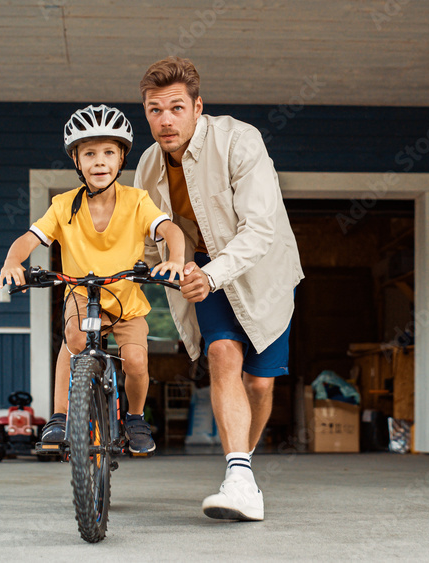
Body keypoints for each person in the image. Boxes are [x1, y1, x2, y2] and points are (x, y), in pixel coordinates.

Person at [135, 57, 304, 521]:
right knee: (222, 353)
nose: (165, 119)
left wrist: (211, 274)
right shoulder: (148, 167)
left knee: (260, 382)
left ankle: (241, 471)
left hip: (262, 270)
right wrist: (165, 265)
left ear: (197, 107)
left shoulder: (239, 140)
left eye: (175, 107)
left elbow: (260, 228)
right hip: (203, 269)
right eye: (154, 110)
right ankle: (239, 476)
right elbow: (150, 238)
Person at [0, 104, 185, 457]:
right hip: (83, 295)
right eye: (89, 153)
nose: (99, 161)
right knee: (73, 338)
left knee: (137, 361)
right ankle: (59, 416)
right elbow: (30, 239)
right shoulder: (63, 205)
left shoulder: (136, 201)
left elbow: (169, 229)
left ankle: (134, 417)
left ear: (121, 159)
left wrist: (175, 258)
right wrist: (12, 261)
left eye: (108, 153)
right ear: (77, 162)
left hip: (126, 302)